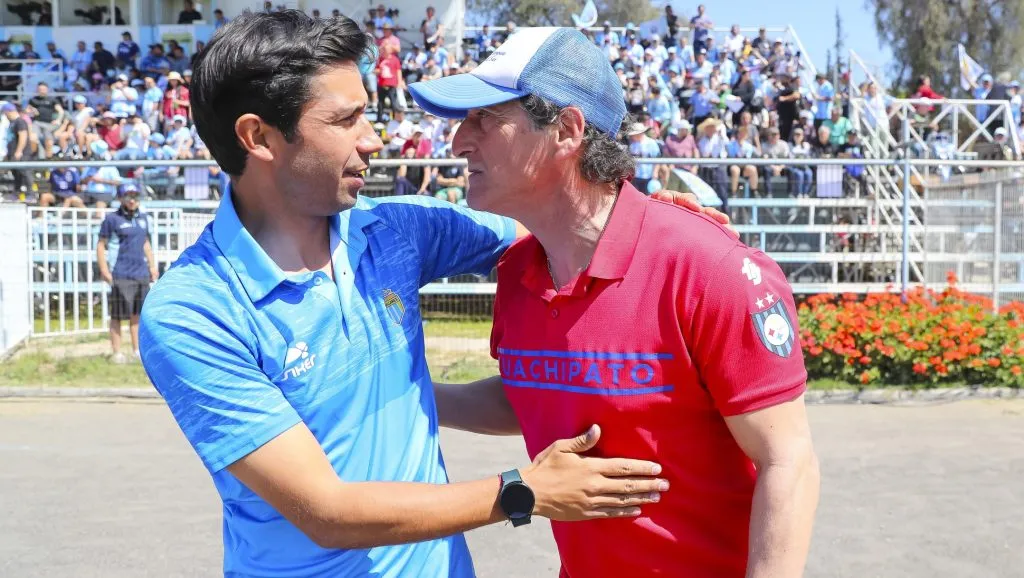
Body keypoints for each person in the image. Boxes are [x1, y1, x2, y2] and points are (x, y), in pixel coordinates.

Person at [138, 12, 725, 577]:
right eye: (346, 121)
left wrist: (646, 222)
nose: (374, 139)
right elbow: (327, 512)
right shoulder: (194, 311)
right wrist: (522, 493)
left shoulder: (397, 230)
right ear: (258, 136)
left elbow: (563, 221)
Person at [410, 25, 820, 578]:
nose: (459, 141)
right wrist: (408, 393)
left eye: (486, 118)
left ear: (566, 130)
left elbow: (788, 461)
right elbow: (540, 392)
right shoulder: (518, 272)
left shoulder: (707, 268)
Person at [98, 184, 158, 363]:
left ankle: (137, 351)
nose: (132, 200)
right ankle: (116, 352)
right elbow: (101, 245)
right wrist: (104, 269)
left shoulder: (144, 218)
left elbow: (145, 243)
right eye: (128, 196)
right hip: (120, 273)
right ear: (120, 199)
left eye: (135, 196)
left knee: (138, 315)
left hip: (140, 273)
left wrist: (152, 266)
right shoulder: (112, 219)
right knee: (117, 315)